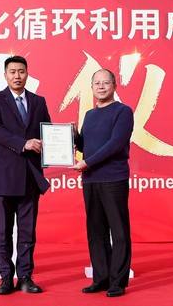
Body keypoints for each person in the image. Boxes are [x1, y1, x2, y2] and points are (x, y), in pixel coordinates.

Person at [0, 55, 51, 295]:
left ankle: (25, 277)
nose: (17, 76)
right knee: (3, 231)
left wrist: (64, 139)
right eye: (12, 72)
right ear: (5, 75)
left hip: (30, 176)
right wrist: (24, 143)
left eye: (21, 71)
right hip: (3, 176)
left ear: (27, 74)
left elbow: (47, 132)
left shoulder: (38, 101)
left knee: (27, 230)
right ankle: (5, 278)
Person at [72, 69, 134, 298]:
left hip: (113, 178)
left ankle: (117, 281)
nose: (101, 86)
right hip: (90, 179)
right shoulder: (90, 114)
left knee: (118, 231)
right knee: (96, 231)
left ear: (114, 86)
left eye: (105, 82)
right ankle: (101, 278)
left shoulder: (123, 111)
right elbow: (86, 146)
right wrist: (74, 136)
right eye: (96, 83)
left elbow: (115, 144)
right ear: (91, 87)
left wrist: (87, 162)